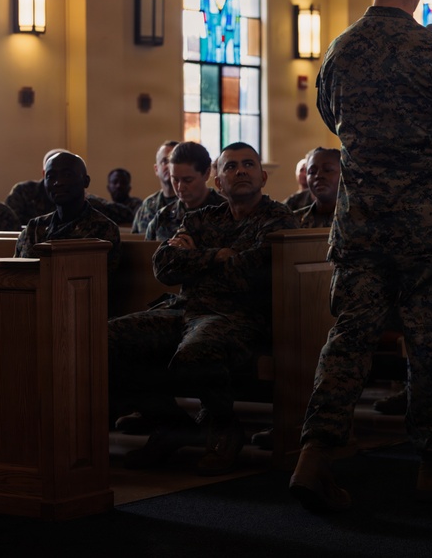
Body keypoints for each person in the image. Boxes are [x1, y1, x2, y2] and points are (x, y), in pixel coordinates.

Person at [289, 0, 432, 513]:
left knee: (349, 337)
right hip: (426, 226)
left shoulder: (339, 52)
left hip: (363, 222)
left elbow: (331, 118)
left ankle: (314, 458)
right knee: (428, 345)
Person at [108, 142, 297, 476]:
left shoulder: (278, 218)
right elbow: (163, 266)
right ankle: (172, 426)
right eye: (231, 166)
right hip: (182, 309)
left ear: (263, 176)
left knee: (195, 353)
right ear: (218, 182)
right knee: (105, 339)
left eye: (248, 165)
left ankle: (224, 428)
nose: (240, 170)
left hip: (235, 316)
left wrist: (195, 260)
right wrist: (215, 256)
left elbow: (252, 270)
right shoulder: (200, 218)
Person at [14, 151, 121, 275]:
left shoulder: (103, 229)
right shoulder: (34, 228)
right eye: (50, 176)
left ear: (86, 181)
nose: (58, 182)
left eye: (67, 175)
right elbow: (17, 276)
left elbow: (99, 284)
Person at [144, 142, 225, 241]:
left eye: (188, 180)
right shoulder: (163, 218)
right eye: (175, 179)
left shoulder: (227, 212)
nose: (180, 187)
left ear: (206, 174)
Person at [5, 147, 69, 223]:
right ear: (44, 173)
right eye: (52, 175)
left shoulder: (80, 197)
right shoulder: (23, 192)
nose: (59, 181)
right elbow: (10, 225)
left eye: (66, 174)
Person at [132, 141, 180, 234]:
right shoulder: (147, 205)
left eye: (173, 160)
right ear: (156, 169)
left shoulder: (191, 202)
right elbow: (136, 240)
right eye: (164, 161)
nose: (169, 166)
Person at [294, 147, 340, 228]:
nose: (318, 176)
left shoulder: (359, 218)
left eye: (327, 170)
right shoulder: (294, 221)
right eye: (312, 172)